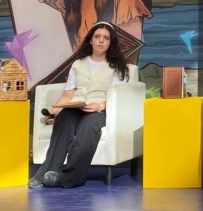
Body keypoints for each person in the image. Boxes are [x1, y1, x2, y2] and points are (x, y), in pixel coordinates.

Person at [28, 21, 130, 188]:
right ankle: (46, 173)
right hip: (77, 107)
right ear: (91, 40)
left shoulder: (117, 67)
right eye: (97, 37)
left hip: (100, 110)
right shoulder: (78, 64)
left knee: (88, 128)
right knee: (64, 121)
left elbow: (119, 96)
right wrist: (53, 112)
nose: (101, 41)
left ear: (111, 42)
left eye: (106, 38)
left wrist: (100, 106)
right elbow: (68, 94)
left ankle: (68, 178)